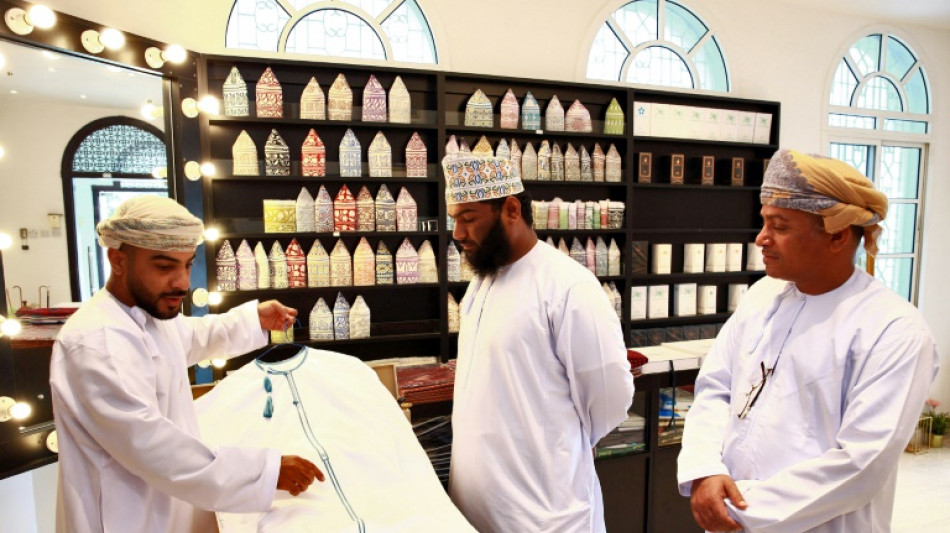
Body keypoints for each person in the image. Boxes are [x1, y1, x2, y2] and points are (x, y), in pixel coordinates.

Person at [677, 149, 939, 533]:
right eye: (764, 222)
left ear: (837, 235)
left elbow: (861, 465)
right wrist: (705, 470)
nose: (761, 239)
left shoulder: (894, 330)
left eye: (780, 227)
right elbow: (716, 388)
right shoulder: (762, 295)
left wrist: (737, 508)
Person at [50, 196, 324, 533]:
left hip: (170, 507)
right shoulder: (99, 342)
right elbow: (153, 447)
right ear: (117, 260)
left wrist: (253, 319)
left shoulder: (146, 315)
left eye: (187, 265)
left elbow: (191, 336)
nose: (182, 282)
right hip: (126, 517)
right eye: (164, 267)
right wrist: (266, 472)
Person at [443, 155, 635, 532]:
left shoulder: (567, 286)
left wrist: (562, 445)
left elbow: (609, 395)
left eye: (468, 218)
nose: (457, 233)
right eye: (454, 219)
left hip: (544, 512)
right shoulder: (482, 283)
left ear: (511, 210)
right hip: (479, 509)